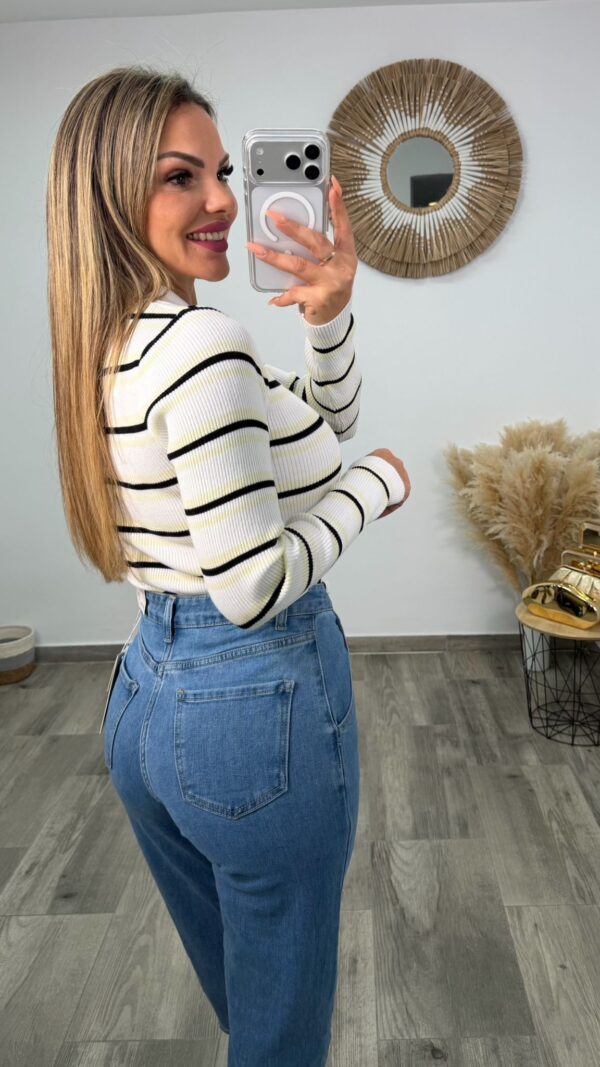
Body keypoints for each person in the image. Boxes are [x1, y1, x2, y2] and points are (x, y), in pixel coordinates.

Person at [46, 65, 411, 1067]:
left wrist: (327, 315)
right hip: (250, 706)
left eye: (220, 171)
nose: (219, 200)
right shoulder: (204, 343)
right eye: (179, 176)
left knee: (254, 1008)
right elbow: (251, 587)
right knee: (279, 1031)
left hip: (146, 702)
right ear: (109, 193)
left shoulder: (115, 338)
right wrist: (377, 486)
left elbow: (316, 429)